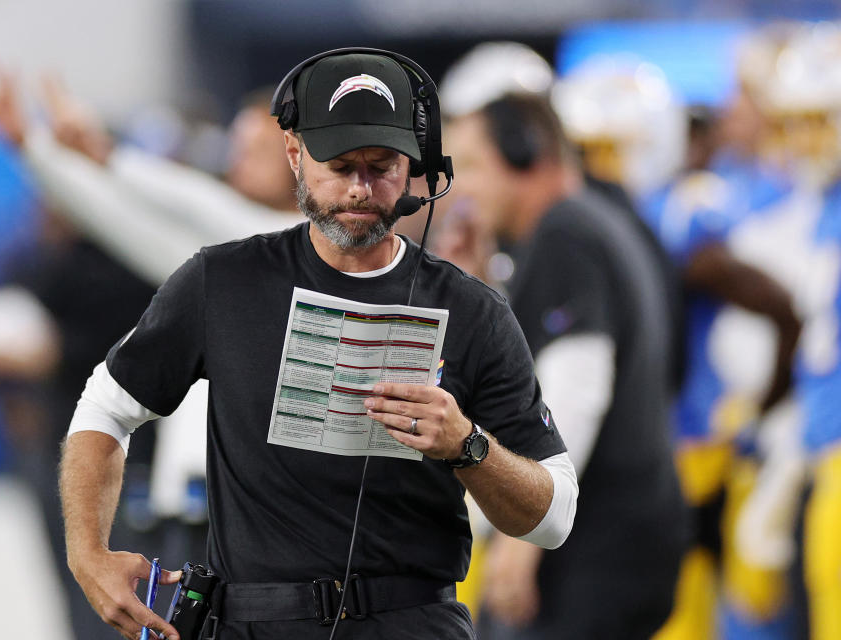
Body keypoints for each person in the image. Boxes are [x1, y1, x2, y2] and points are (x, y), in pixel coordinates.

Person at [59, 49, 578, 640]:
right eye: (339, 164)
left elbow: (554, 515)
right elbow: (106, 406)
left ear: (416, 166)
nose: (360, 189)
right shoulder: (223, 281)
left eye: (381, 166)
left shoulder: (474, 310)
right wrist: (87, 555)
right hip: (253, 622)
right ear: (294, 155)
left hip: (411, 623)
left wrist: (468, 446)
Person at [443, 93, 687, 639]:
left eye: (476, 165)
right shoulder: (598, 223)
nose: (465, 187)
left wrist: (522, 534)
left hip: (594, 549)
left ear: (529, 154)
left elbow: (577, 388)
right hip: (628, 537)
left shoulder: (564, 235)